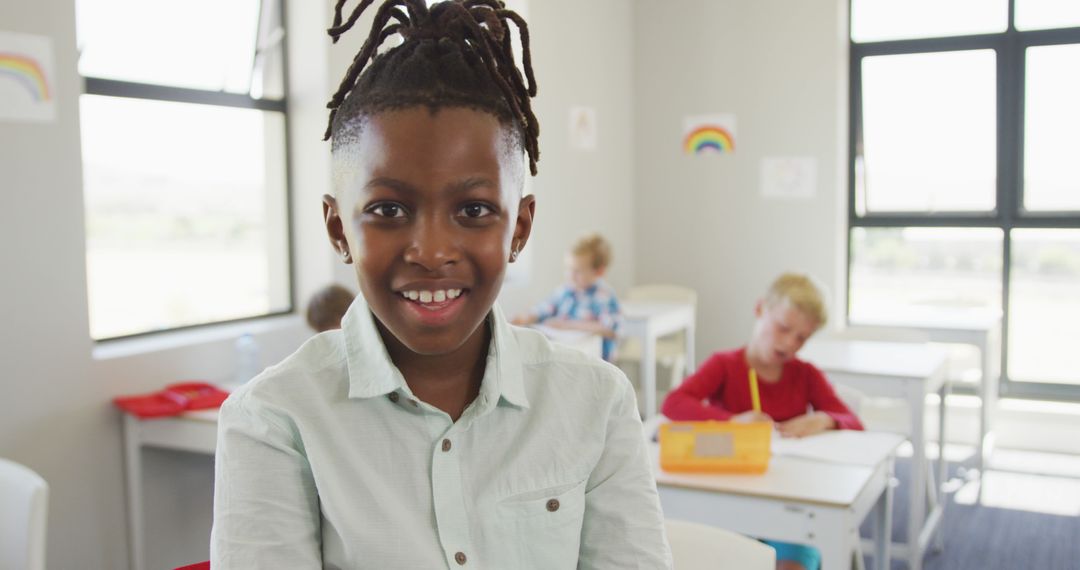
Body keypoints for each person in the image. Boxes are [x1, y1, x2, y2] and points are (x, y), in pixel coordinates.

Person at [210, 2, 672, 568]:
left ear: (519, 228)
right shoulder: (274, 419)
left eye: (474, 209)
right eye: (388, 209)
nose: (430, 252)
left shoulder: (594, 402)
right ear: (339, 229)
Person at [660, 272, 862, 570]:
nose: (790, 343)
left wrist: (824, 419)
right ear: (760, 309)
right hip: (729, 501)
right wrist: (731, 421)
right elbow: (673, 403)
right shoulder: (725, 365)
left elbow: (853, 422)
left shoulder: (805, 374)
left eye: (802, 338)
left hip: (790, 505)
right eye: (783, 328)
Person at [511, 233, 622, 361]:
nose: (570, 275)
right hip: (565, 353)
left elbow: (612, 328)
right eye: (568, 269)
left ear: (599, 271)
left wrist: (568, 325)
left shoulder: (604, 296)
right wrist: (524, 318)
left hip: (593, 359)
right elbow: (544, 309)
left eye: (577, 271)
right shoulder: (566, 291)